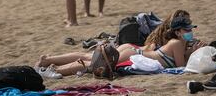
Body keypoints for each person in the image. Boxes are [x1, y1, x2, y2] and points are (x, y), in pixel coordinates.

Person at [34, 15, 204, 78]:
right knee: (95, 64)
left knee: (90, 58)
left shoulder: (177, 43)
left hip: (133, 51)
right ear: (179, 32)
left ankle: (48, 60)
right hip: (133, 54)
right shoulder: (177, 43)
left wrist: (190, 51)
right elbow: (182, 67)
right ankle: (55, 69)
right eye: (187, 29)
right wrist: (193, 52)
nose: (190, 32)